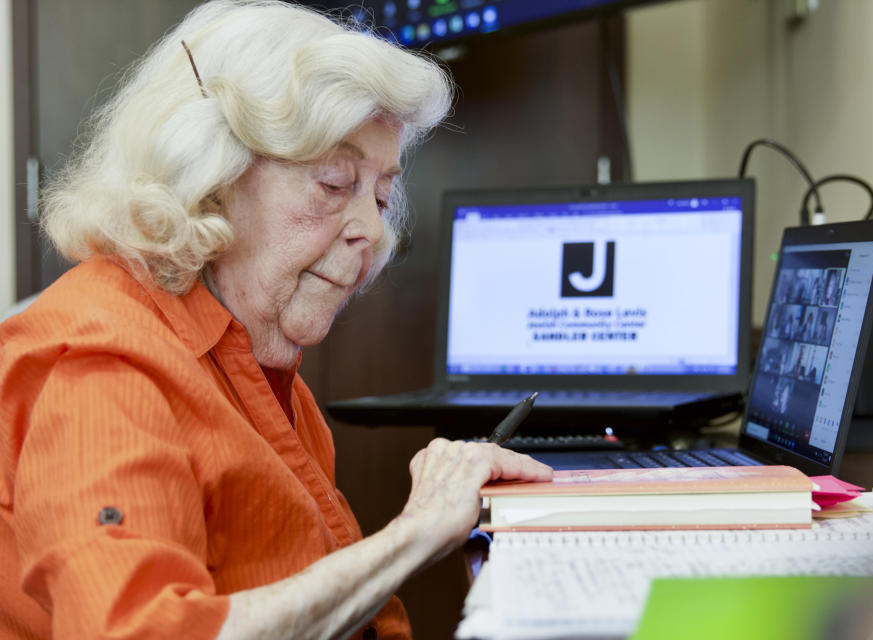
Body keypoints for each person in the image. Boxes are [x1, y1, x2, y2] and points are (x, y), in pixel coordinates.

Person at [0, 2, 553, 639]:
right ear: (211, 175)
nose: (373, 231)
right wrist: (417, 531)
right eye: (334, 182)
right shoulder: (103, 368)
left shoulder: (255, 359)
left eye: (379, 195)